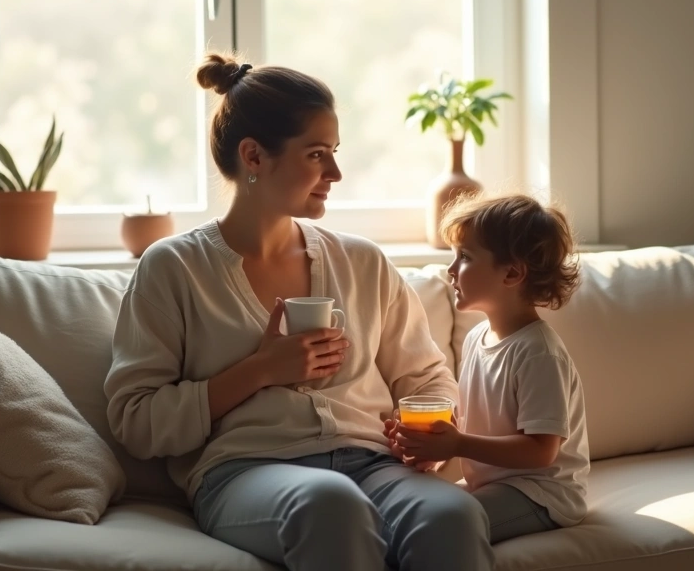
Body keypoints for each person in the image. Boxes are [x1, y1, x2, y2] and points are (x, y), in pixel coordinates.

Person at [104, 53, 492, 571]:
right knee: (331, 506)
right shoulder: (174, 268)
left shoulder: (362, 261)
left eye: (334, 152)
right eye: (315, 154)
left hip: (374, 464)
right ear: (253, 156)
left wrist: (429, 434)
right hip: (246, 471)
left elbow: (426, 378)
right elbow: (136, 421)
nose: (335, 172)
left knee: (452, 514)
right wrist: (259, 370)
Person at [392, 194, 590, 543]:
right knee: (401, 513)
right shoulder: (477, 339)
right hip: (493, 485)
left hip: (540, 494)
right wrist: (433, 446)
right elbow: (480, 426)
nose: (451, 270)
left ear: (512, 272)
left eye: (465, 257)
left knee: (438, 528)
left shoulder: (538, 353)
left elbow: (541, 451)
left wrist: (457, 444)